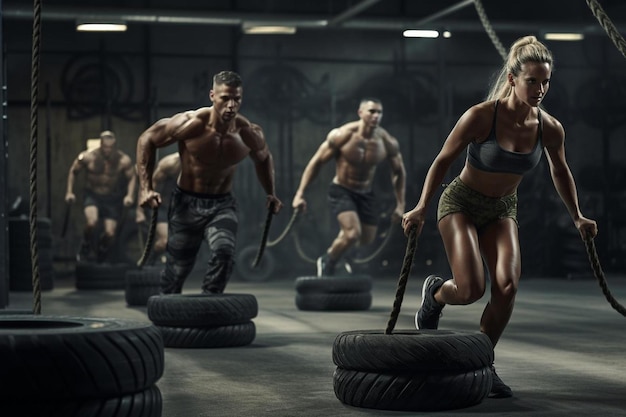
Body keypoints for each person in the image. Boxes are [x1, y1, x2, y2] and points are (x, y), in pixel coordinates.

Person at [401, 35, 598, 398]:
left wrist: (578, 217)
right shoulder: (481, 117)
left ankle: (483, 362)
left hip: (503, 209)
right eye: (532, 80)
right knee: (472, 289)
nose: (540, 89)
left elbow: (561, 171)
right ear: (512, 78)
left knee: (507, 287)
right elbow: (442, 161)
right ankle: (436, 295)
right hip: (460, 203)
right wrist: (420, 207)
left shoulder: (549, 127)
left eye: (546, 81)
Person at [136, 70, 283, 294]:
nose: (231, 105)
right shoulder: (191, 124)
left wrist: (271, 193)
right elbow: (147, 139)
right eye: (225, 98)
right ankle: (167, 310)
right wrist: (145, 189)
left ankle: (210, 305)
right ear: (212, 95)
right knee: (178, 268)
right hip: (186, 203)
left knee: (224, 253)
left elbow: (264, 158)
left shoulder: (247, 133)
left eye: (237, 99)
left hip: (221, 204)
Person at [292, 98, 406, 277]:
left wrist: (400, 204)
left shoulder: (387, 142)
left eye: (379, 112)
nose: (376, 116)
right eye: (371, 111)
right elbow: (316, 163)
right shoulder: (342, 135)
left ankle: (341, 253)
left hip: (366, 194)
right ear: (360, 113)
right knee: (352, 234)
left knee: (366, 239)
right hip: (342, 190)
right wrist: (300, 193)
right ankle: (328, 260)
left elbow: (399, 172)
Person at [65, 130, 136, 262]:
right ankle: (86, 244)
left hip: (111, 199)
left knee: (110, 234)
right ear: (100, 145)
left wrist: (129, 195)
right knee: (92, 222)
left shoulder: (123, 160)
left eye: (110, 148)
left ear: (115, 147)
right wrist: (69, 192)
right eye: (105, 147)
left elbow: (132, 178)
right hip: (93, 196)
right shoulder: (88, 157)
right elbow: (73, 171)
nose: (107, 150)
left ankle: (102, 250)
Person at [135, 152, 181, 265]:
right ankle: (151, 260)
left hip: (180, 209)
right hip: (162, 208)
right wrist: (139, 211)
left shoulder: (201, 164)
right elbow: (149, 187)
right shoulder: (170, 164)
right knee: (164, 241)